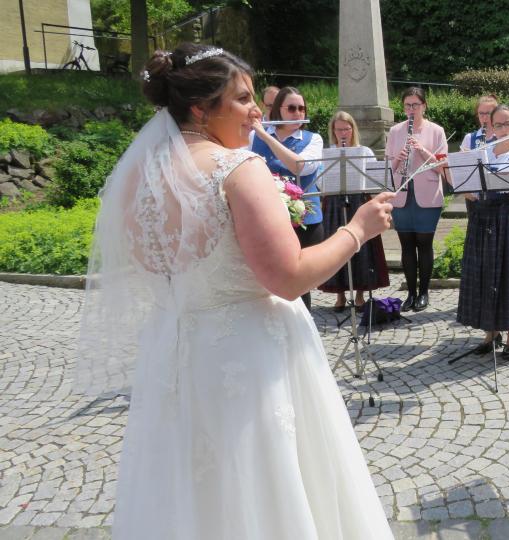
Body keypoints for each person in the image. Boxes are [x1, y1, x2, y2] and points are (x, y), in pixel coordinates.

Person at [76, 43, 395, 539]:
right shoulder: (238, 169)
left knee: (190, 496)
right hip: (250, 361)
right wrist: (357, 229)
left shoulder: (136, 175)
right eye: (243, 99)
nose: (256, 112)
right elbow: (288, 278)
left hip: (174, 358)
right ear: (201, 109)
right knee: (267, 493)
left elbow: (147, 264)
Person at [456, 104, 509, 357]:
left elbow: (504, 183)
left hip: (507, 218)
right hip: (482, 218)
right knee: (483, 274)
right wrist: (461, 179)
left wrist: (477, 184)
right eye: (498, 125)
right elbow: (469, 185)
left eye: (508, 124)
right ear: (491, 127)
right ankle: (490, 332)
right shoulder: (483, 153)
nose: (503, 129)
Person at [250, 86, 325, 309]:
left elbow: (299, 166)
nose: (298, 113)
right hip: (267, 219)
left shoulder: (314, 139)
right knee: (269, 282)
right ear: (278, 110)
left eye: (302, 108)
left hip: (305, 221)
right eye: (291, 108)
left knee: (300, 285)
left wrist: (266, 136)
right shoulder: (253, 137)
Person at [319, 111, 390, 311]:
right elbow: (320, 182)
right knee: (336, 246)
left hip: (359, 201)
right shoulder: (328, 153)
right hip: (334, 201)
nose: (343, 133)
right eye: (339, 129)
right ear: (333, 131)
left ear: (353, 129)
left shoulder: (364, 151)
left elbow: (374, 179)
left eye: (347, 129)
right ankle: (340, 295)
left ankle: (360, 294)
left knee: (362, 247)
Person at [386, 87, 449, 312]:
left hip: (427, 195)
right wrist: (398, 158)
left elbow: (442, 166)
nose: (411, 109)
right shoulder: (395, 131)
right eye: (407, 105)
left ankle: (424, 292)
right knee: (406, 245)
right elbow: (387, 167)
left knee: (424, 244)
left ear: (424, 106)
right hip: (401, 194)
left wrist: (422, 150)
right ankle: (411, 293)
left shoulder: (437, 131)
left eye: (416, 105)